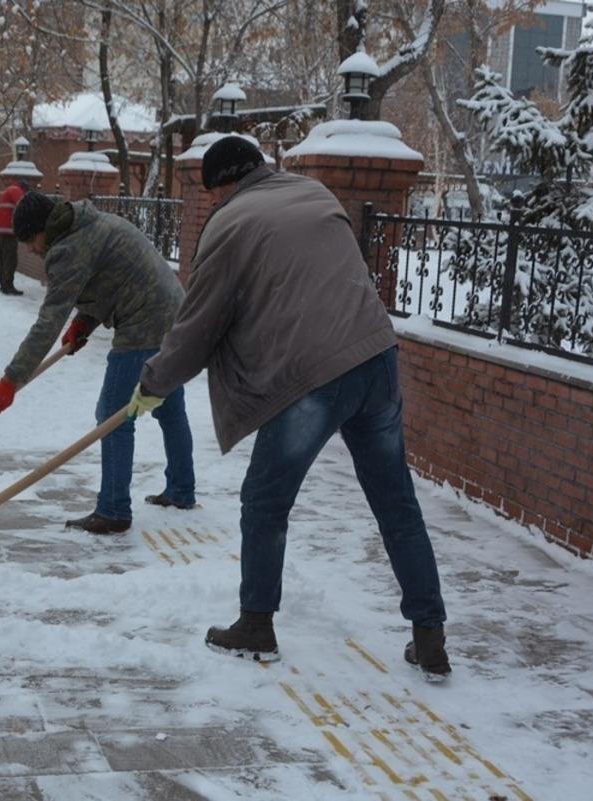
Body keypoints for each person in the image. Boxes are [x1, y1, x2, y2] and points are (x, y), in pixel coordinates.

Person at [128, 136, 450, 681]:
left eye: (214, 193)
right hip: (376, 355)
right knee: (396, 504)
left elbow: (197, 326)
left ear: (223, 185)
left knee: (264, 500)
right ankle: (430, 636)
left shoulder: (229, 226)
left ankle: (256, 623)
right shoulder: (315, 191)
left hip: (313, 376)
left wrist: (153, 383)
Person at [0, 191, 196, 534]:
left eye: (29, 240)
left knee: (112, 415)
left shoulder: (67, 249)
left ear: (43, 230)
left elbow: (48, 320)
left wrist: (12, 379)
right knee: (169, 406)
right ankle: (181, 490)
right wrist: (85, 321)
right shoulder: (90, 223)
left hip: (145, 323)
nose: (31, 250)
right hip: (176, 315)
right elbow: (110, 278)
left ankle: (113, 509)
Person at [0, 177, 29, 295]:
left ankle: (3, 283)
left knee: (3, 259)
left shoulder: (4, 192)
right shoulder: (16, 190)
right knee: (10, 259)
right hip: (7, 231)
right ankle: (8, 285)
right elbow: (24, 205)